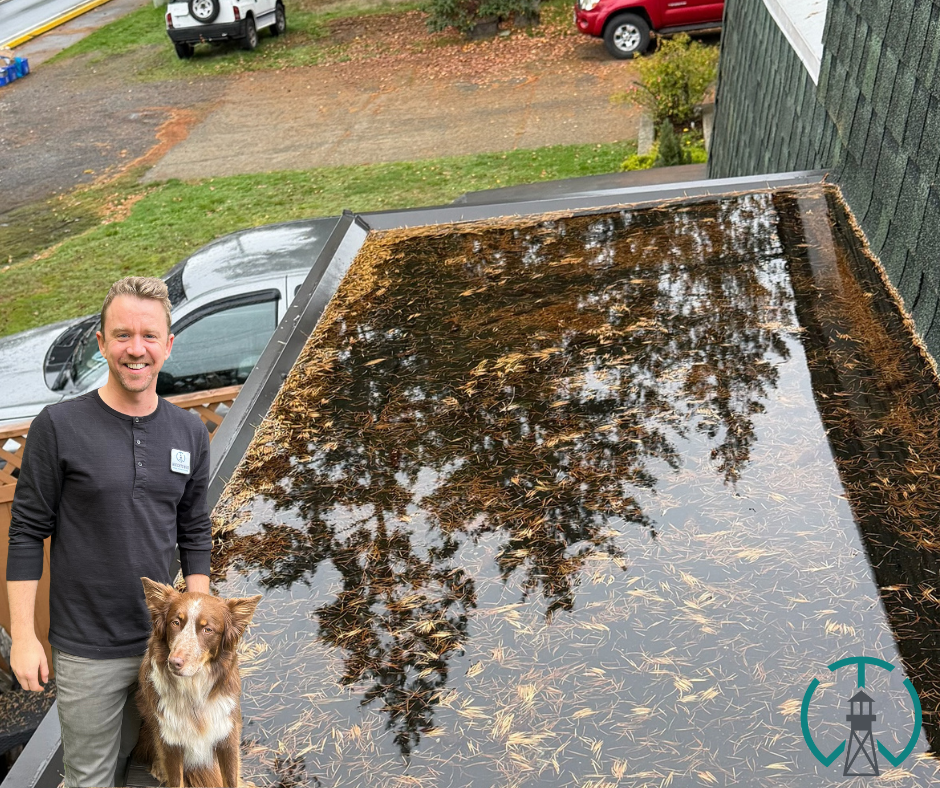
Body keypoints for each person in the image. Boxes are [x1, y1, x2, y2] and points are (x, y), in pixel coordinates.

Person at [6, 277, 212, 787]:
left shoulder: (188, 432)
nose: (135, 349)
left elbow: (194, 529)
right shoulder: (59, 426)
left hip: (163, 647)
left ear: (168, 344)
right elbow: (28, 532)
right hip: (87, 649)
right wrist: (26, 639)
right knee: (91, 777)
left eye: (148, 336)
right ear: (101, 343)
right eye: (122, 335)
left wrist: (197, 630)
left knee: (162, 768)